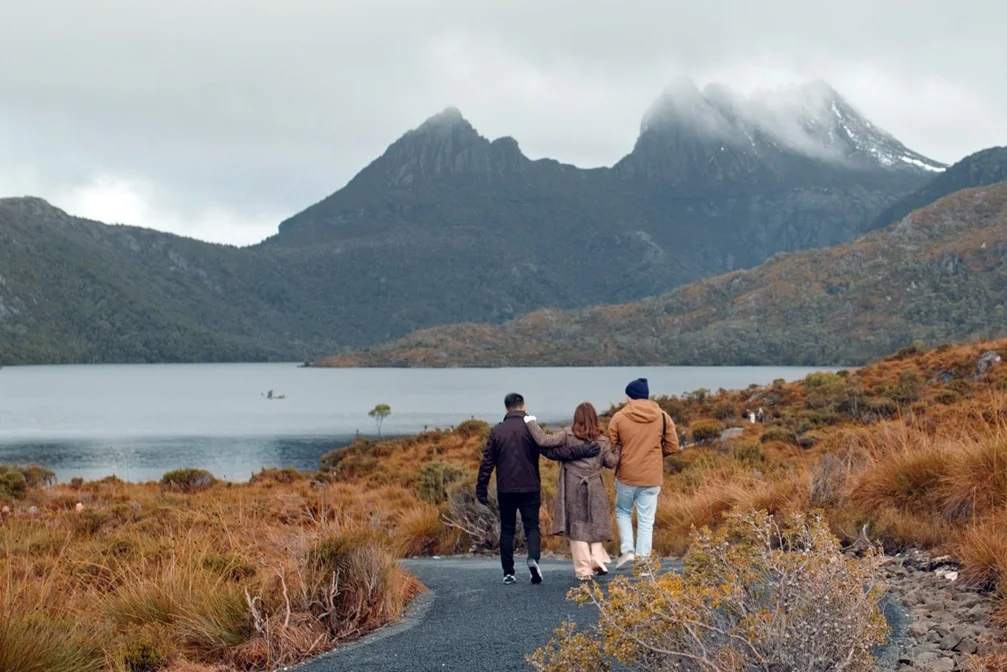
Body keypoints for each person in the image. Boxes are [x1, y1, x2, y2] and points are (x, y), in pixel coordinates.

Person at [476, 393, 600, 585]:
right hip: (530, 487)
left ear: (506, 409)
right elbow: (553, 452)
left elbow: (487, 462)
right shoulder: (531, 430)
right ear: (524, 407)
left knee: (507, 529)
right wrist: (581, 451)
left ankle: (508, 573)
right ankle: (533, 558)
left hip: (506, 489)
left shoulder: (497, 431)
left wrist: (481, 489)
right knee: (532, 526)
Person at [525, 402, 619, 581]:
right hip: (595, 486)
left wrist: (531, 422)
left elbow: (543, 440)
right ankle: (596, 558)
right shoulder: (603, 440)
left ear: (576, 418)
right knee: (596, 522)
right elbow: (611, 462)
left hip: (573, 485)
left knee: (577, 525)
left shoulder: (567, 435)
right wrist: (620, 447)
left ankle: (584, 570)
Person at [608, 378, 680, 570]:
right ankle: (644, 564)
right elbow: (673, 446)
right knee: (646, 521)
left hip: (626, 476)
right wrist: (656, 456)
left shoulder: (619, 417)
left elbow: (611, 446)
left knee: (623, 511)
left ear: (630, 396)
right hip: (652, 478)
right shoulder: (663, 417)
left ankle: (627, 550)